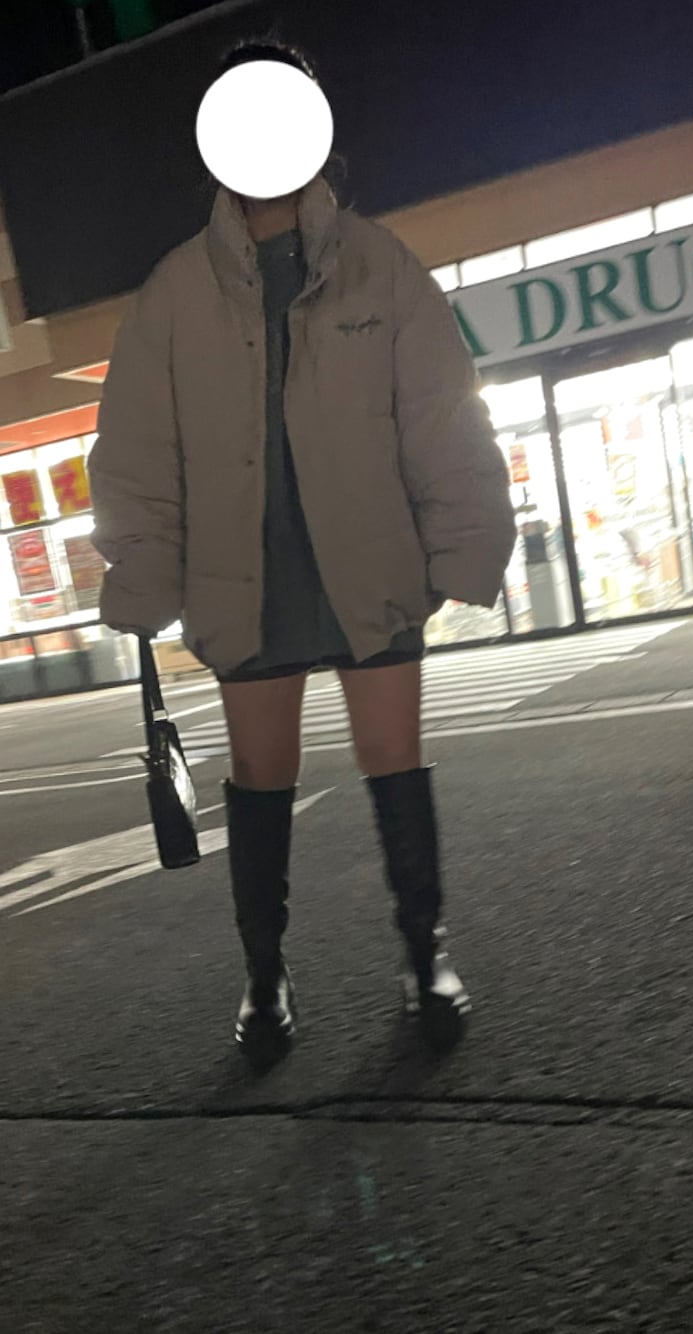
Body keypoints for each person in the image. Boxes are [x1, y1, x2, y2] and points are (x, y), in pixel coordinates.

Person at [87, 37, 517, 1059]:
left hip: (369, 557)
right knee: (260, 774)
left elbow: (442, 415)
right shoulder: (175, 291)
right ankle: (265, 974)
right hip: (246, 574)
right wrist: (143, 575)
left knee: (394, 759)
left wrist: (465, 541)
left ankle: (425, 952)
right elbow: (138, 451)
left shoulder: (378, 263)